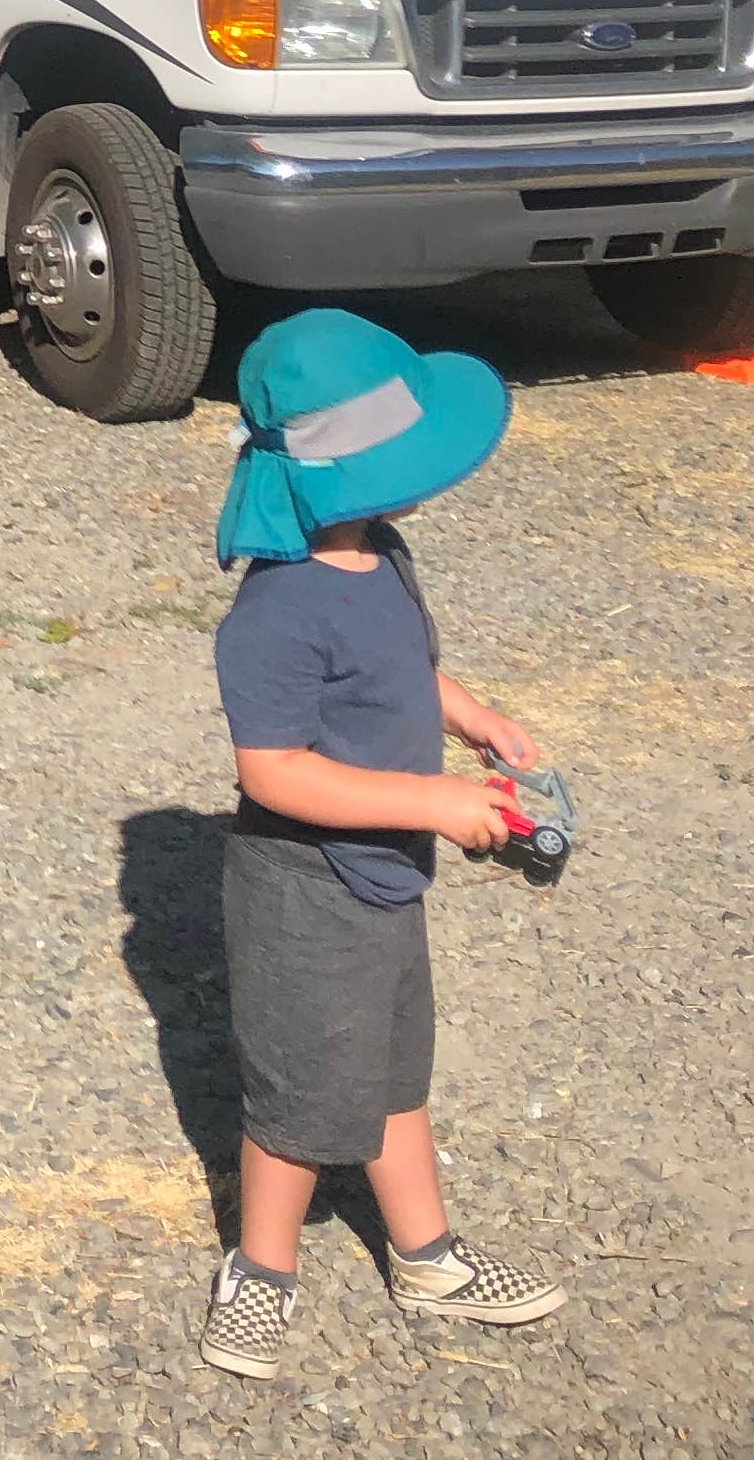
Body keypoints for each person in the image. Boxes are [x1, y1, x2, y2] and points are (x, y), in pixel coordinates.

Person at [198, 306, 568, 1378]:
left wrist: (475, 719)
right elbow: (272, 771)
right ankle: (260, 1272)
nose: (425, 483)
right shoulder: (274, 614)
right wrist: (431, 801)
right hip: (302, 892)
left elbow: (407, 671)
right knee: (301, 1094)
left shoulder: (384, 556)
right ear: (339, 473)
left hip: (383, 878)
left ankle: (428, 1258)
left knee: (398, 1072)